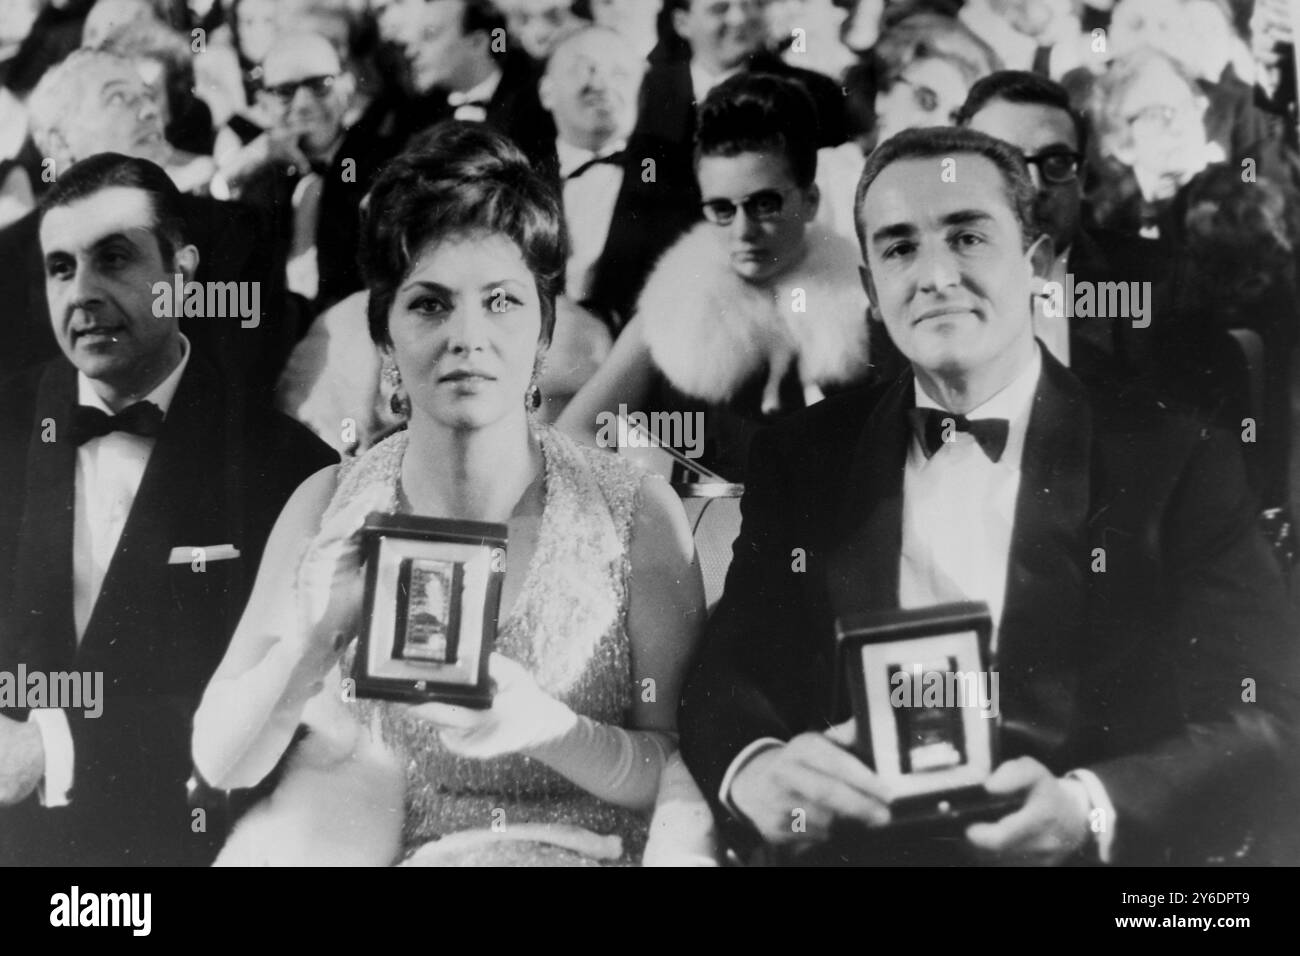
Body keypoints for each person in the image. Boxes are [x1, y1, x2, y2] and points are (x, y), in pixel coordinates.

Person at [677, 125, 1300, 865]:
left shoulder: (1175, 457)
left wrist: (1091, 810)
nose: (935, 275)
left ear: (1036, 262)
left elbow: (1267, 717)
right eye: (901, 247)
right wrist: (755, 768)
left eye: (967, 238)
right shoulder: (803, 455)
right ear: (872, 288)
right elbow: (729, 669)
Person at [191, 122, 706, 866]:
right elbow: (219, 761)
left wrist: (552, 731)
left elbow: (684, 772)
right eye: (430, 304)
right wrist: (313, 644)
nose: (468, 335)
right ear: (385, 336)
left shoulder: (636, 512)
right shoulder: (328, 501)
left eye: (500, 301)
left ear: (543, 326)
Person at [0, 153, 337, 867]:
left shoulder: (290, 470)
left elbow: (275, 707)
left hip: (177, 844)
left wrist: (55, 743)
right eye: (61, 268)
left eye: (113, 259)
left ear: (182, 275)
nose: (82, 295)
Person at [559, 73, 870, 482]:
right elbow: (576, 433)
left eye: (764, 204)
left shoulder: (861, 303)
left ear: (810, 200)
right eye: (722, 209)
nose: (744, 231)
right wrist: (657, 501)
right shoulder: (674, 301)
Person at [0, 49, 287, 401]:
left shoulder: (232, 231)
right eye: (118, 98)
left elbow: (234, 385)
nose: (152, 111)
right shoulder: (7, 260)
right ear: (60, 144)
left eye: (149, 96)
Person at [957, 70, 1171, 381]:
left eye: (1056, 161)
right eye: (1005, 162)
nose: (1033, 185)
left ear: (1081, 178)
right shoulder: (924, 290)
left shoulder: (1159, 281)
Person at [539, 24, 697, 333]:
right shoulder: (519, 177)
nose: (600, 84)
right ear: (546, 92)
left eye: (620, 74)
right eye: (583, 70)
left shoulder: (679, 176)